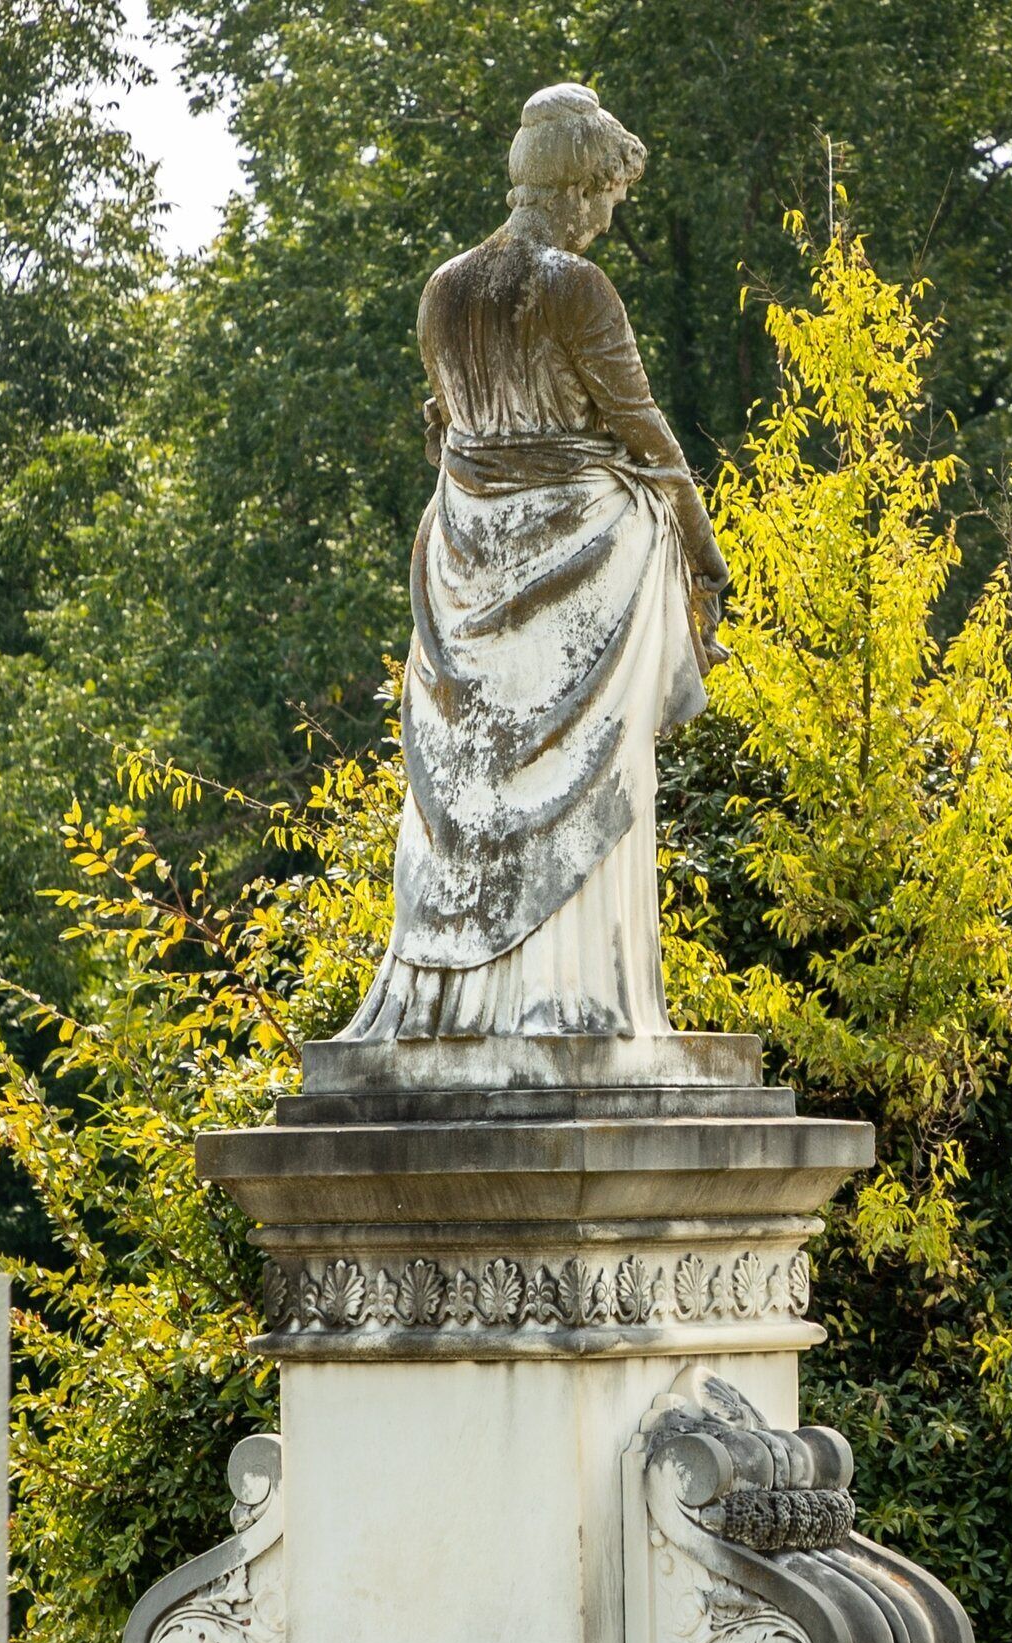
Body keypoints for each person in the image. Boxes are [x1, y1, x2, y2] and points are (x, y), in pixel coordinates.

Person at [340, 82, 728, 1045]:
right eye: (609, 195)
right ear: (579, 183)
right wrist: (704, 554)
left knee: (472, 788)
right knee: (578, 786)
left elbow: (450, 433)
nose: (610, 216)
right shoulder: (570, 285)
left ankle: (463, 1002)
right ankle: (572, 997)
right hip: (579, 567)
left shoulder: (444, 288)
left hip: (467, 556)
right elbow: (647, 437)